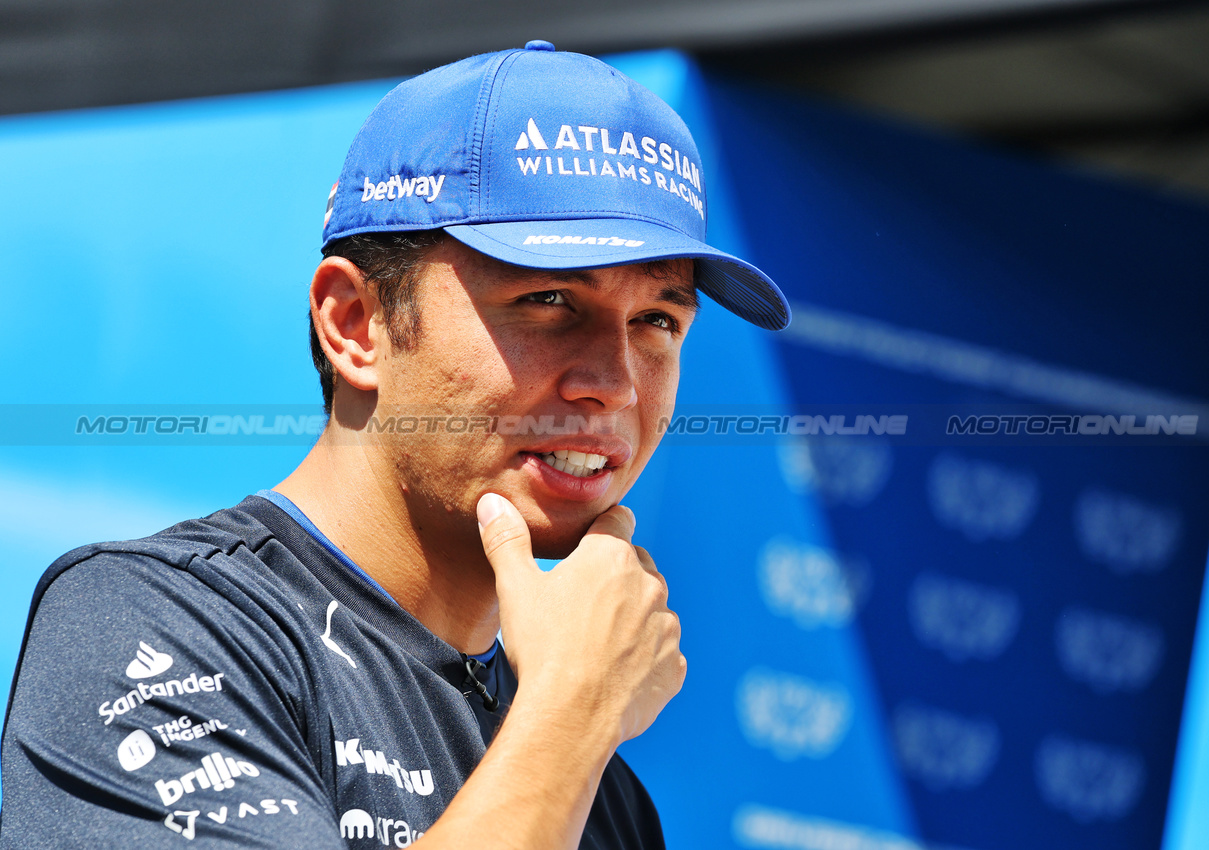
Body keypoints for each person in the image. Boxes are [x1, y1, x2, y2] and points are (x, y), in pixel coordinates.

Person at [0, 41, 788, 848]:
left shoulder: (595, 784)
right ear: (355, 325)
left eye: (658, 319)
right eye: (548, 298)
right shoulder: (149, 622)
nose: (616, 383)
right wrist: (575, 711)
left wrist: (564, 722)